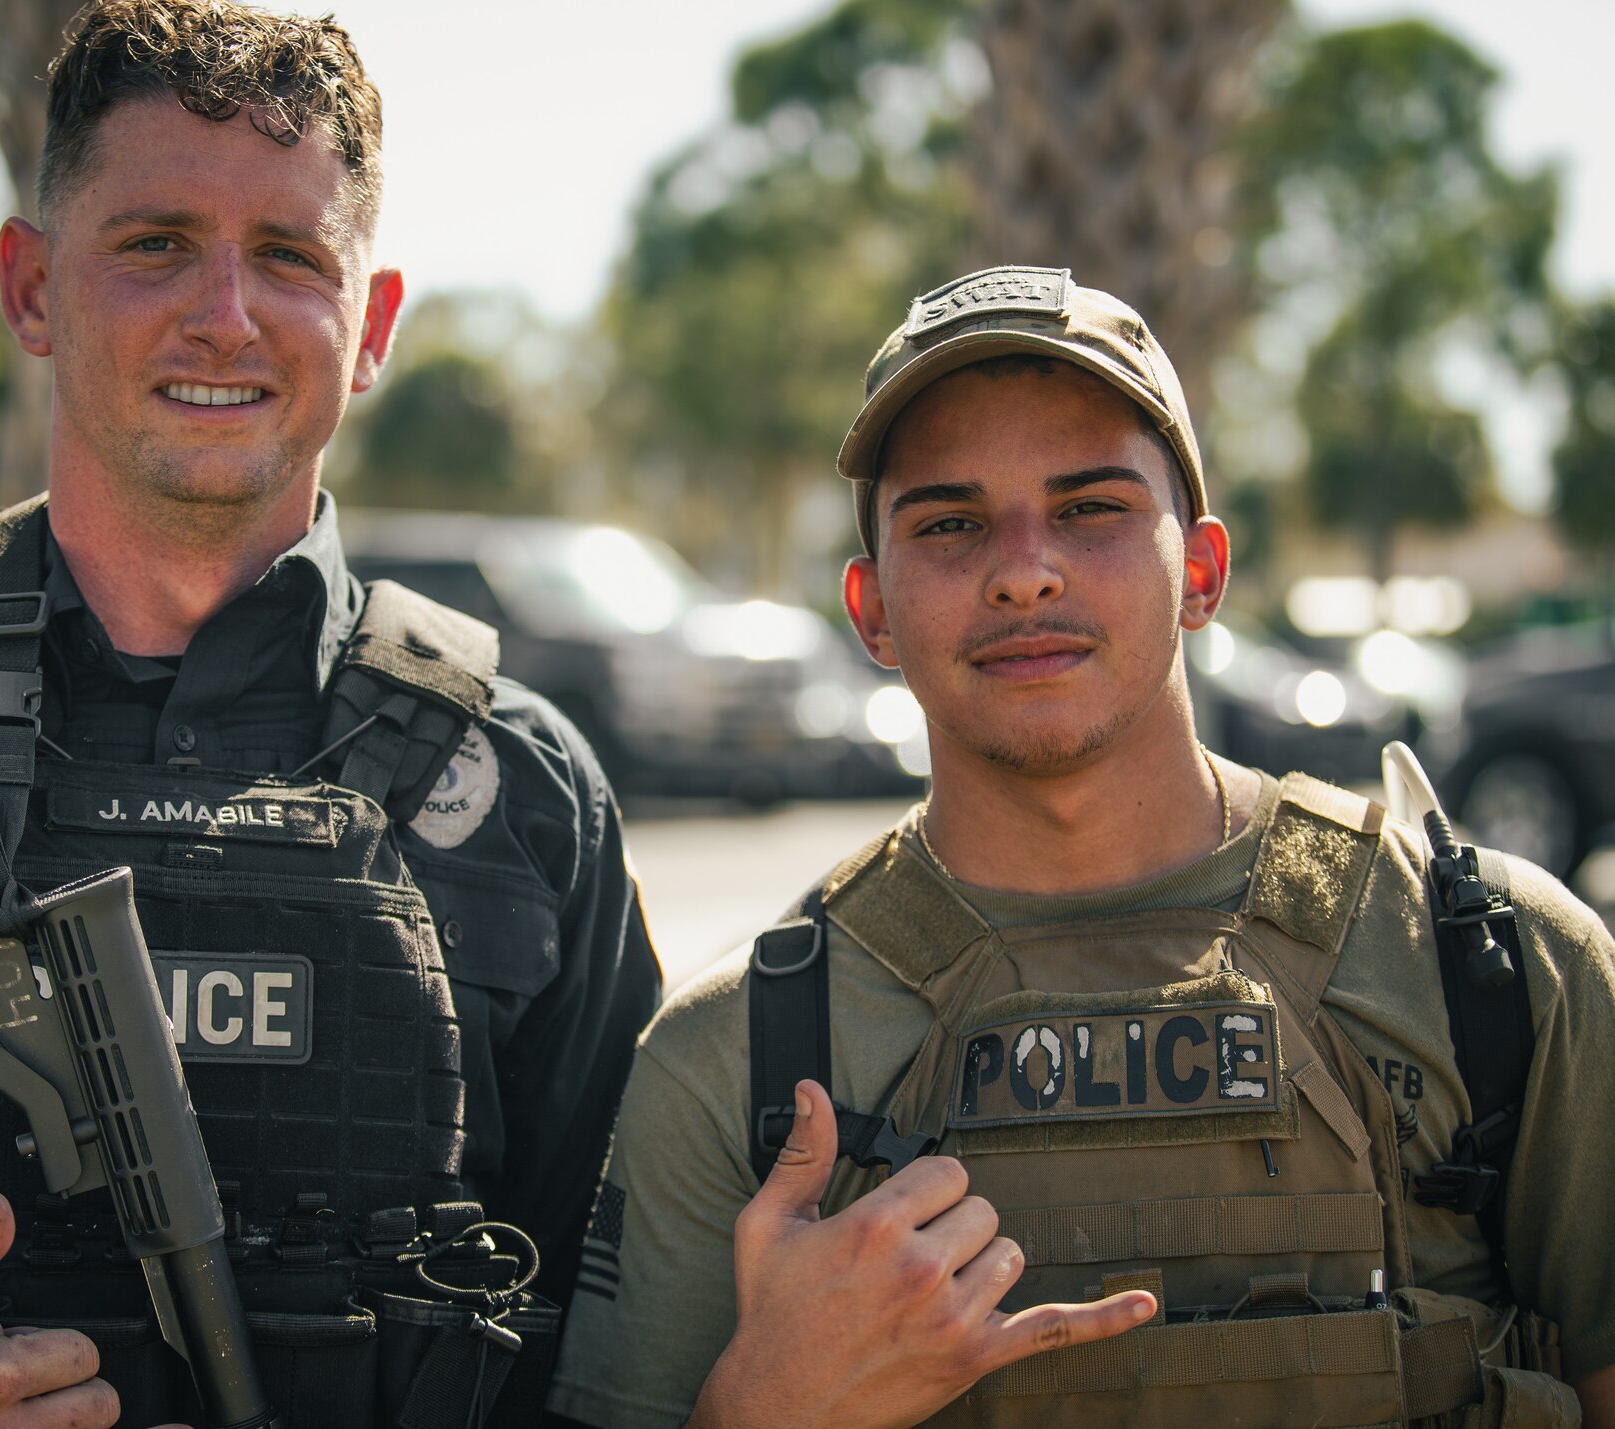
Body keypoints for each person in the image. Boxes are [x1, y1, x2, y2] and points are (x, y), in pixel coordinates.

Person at [0, 4, 660, 1427]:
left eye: (289, 256)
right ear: (33, 287)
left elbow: (629, 1351)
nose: (223, 313)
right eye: (155, 242)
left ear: (373, 326)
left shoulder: (523, 791)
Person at [548, 265, 1615, 1429]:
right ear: (872, 613)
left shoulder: (1497, 969)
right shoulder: (737, 1058)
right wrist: (763, 1405)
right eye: (951, 522)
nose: (1022, 569)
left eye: (1090, 507)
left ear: (1200, 572)